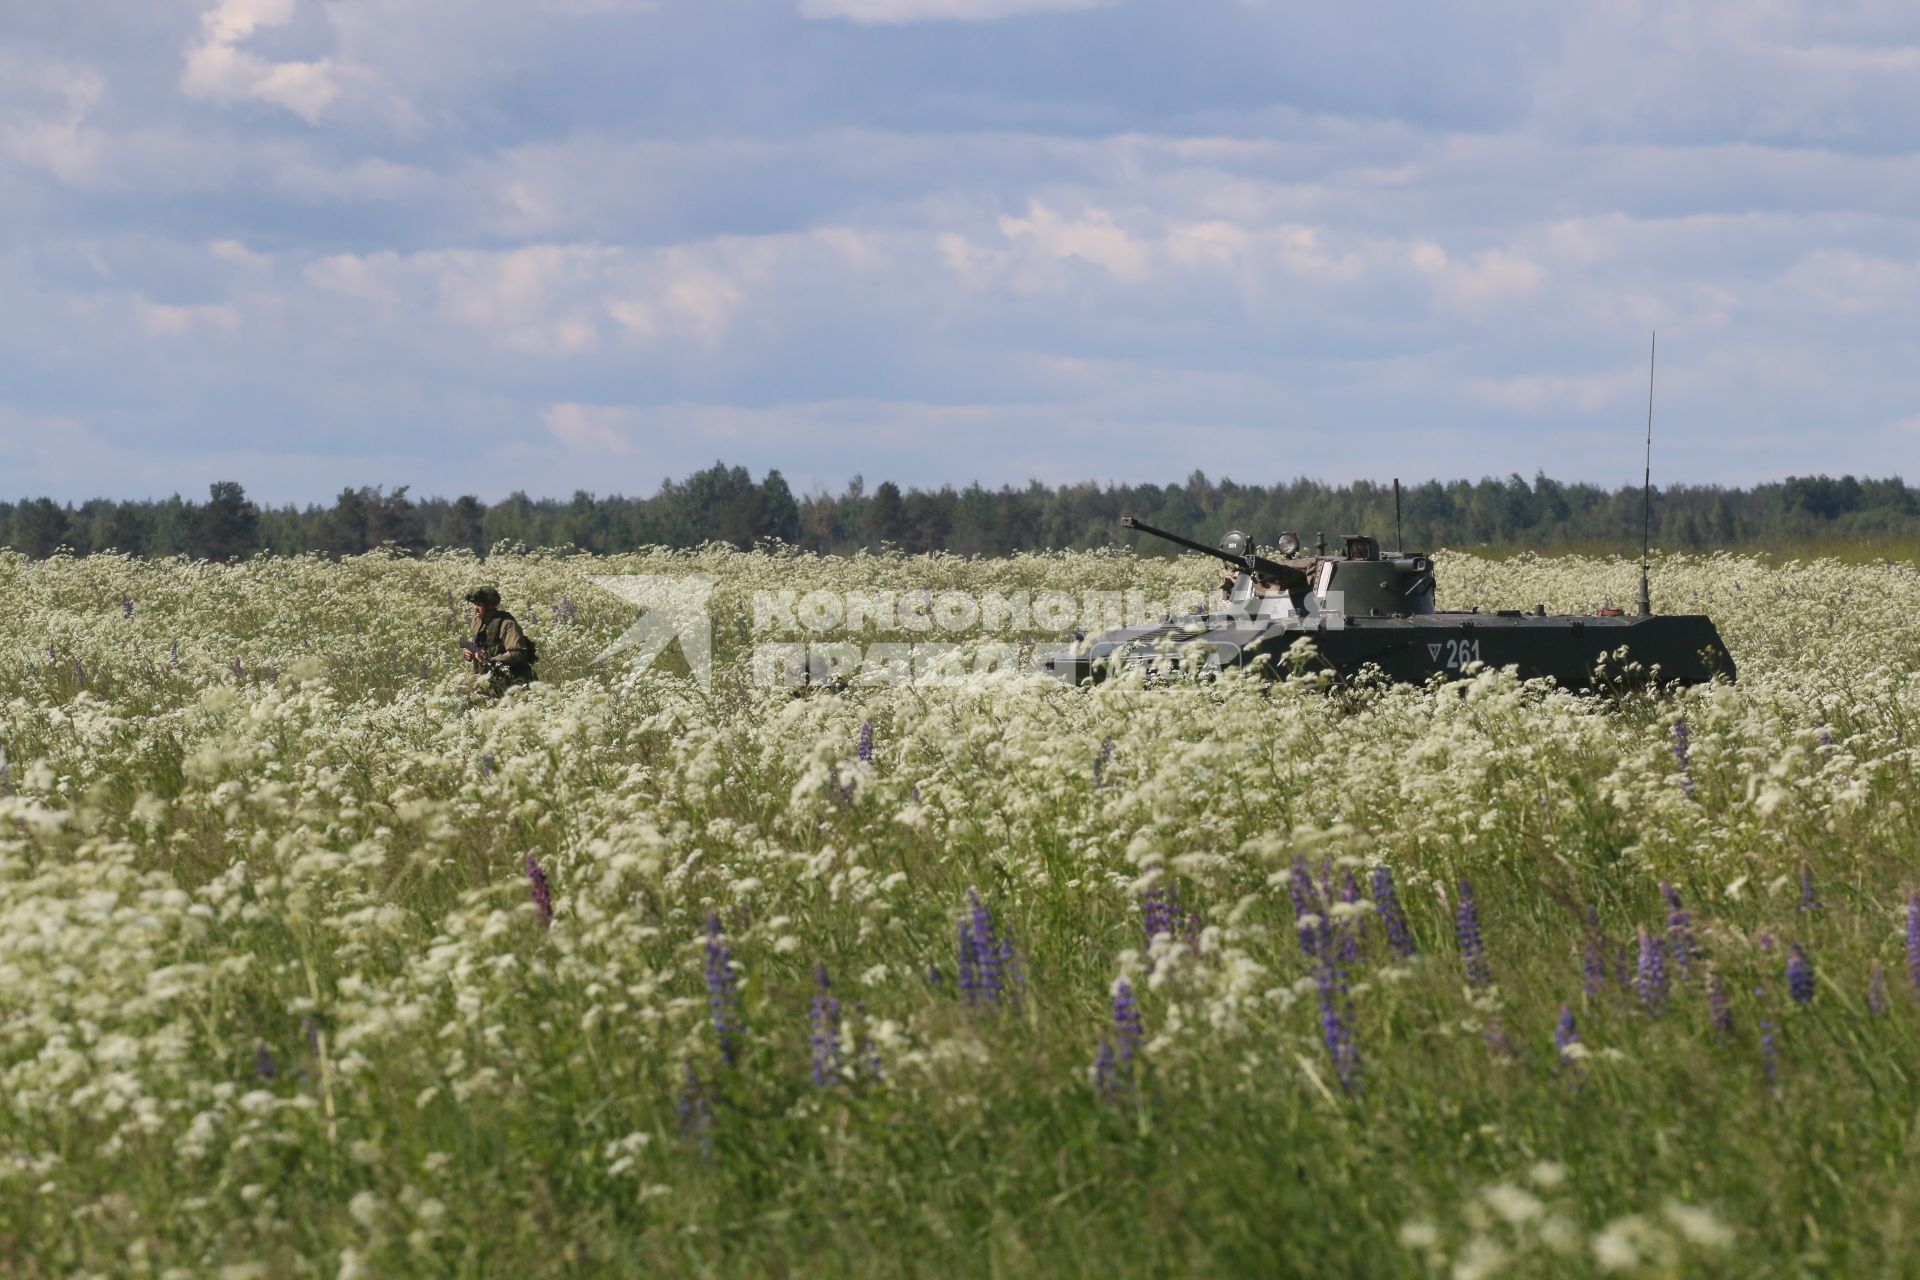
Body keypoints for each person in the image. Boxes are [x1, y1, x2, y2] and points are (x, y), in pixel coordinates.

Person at [462, 586, 537, 694]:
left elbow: (517, 653)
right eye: (475, 604)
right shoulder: (477, 622)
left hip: (512, 679)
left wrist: (491, 660)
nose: (475, 608)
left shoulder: (507, 624)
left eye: (479, 605)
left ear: (489, 606)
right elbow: (477, 645)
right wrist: (468, 652)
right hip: (486, 677)